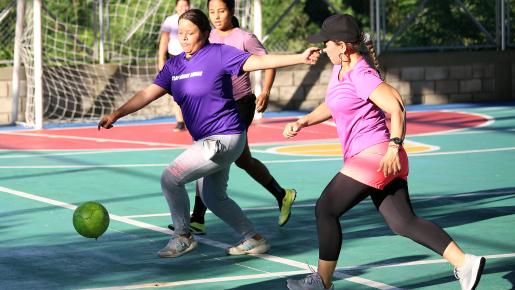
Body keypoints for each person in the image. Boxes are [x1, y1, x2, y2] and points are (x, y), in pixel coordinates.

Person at [283, 14, 486, 290]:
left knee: (326, 209)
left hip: (376, 154)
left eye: (327, 43)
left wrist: (394, 147)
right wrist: (303, 121)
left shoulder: (361, 74)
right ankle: (465, 262)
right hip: (378, 157)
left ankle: (322, 282)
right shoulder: (340, 70)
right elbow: (335, 104)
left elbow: (396, 106)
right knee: (403, 222)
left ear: (342, 46)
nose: (323, 48)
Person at [98, 9, 321, 258]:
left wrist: (300, 57)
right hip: (209, 141)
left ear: (205, 33)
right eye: (180, 33)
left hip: (224, 137)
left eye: (190, 33)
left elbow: (258, 61)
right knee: (213, 197)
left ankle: (182, 235)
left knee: (170, 178)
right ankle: (254, 238)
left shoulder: (219, 54)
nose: (184, 38)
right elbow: (147, 94)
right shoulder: (174, 66)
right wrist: (116, 113)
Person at [167, 0, 296, 235]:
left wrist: (265, 91)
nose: (217, 16)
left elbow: (267, 62)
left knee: (207, 152)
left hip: (240, 104)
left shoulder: (244, 38)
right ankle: (281, 193)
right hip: (216, 105)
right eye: (212, 12)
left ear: (232, 11)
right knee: (242, 160)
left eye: (222, 11)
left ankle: (197, 217)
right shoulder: (205, 36)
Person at [158, 0, 191, 132]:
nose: (183, 8)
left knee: (193, 90)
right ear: (176, 7)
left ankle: (195, 118)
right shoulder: (170, 21)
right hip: (175, 59)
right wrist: (161, 59)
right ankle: (180, 121)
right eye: (181, 6)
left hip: (192, 58)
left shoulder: (194, 19)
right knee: (176, 91)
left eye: (186, 5)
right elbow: (164, 40)